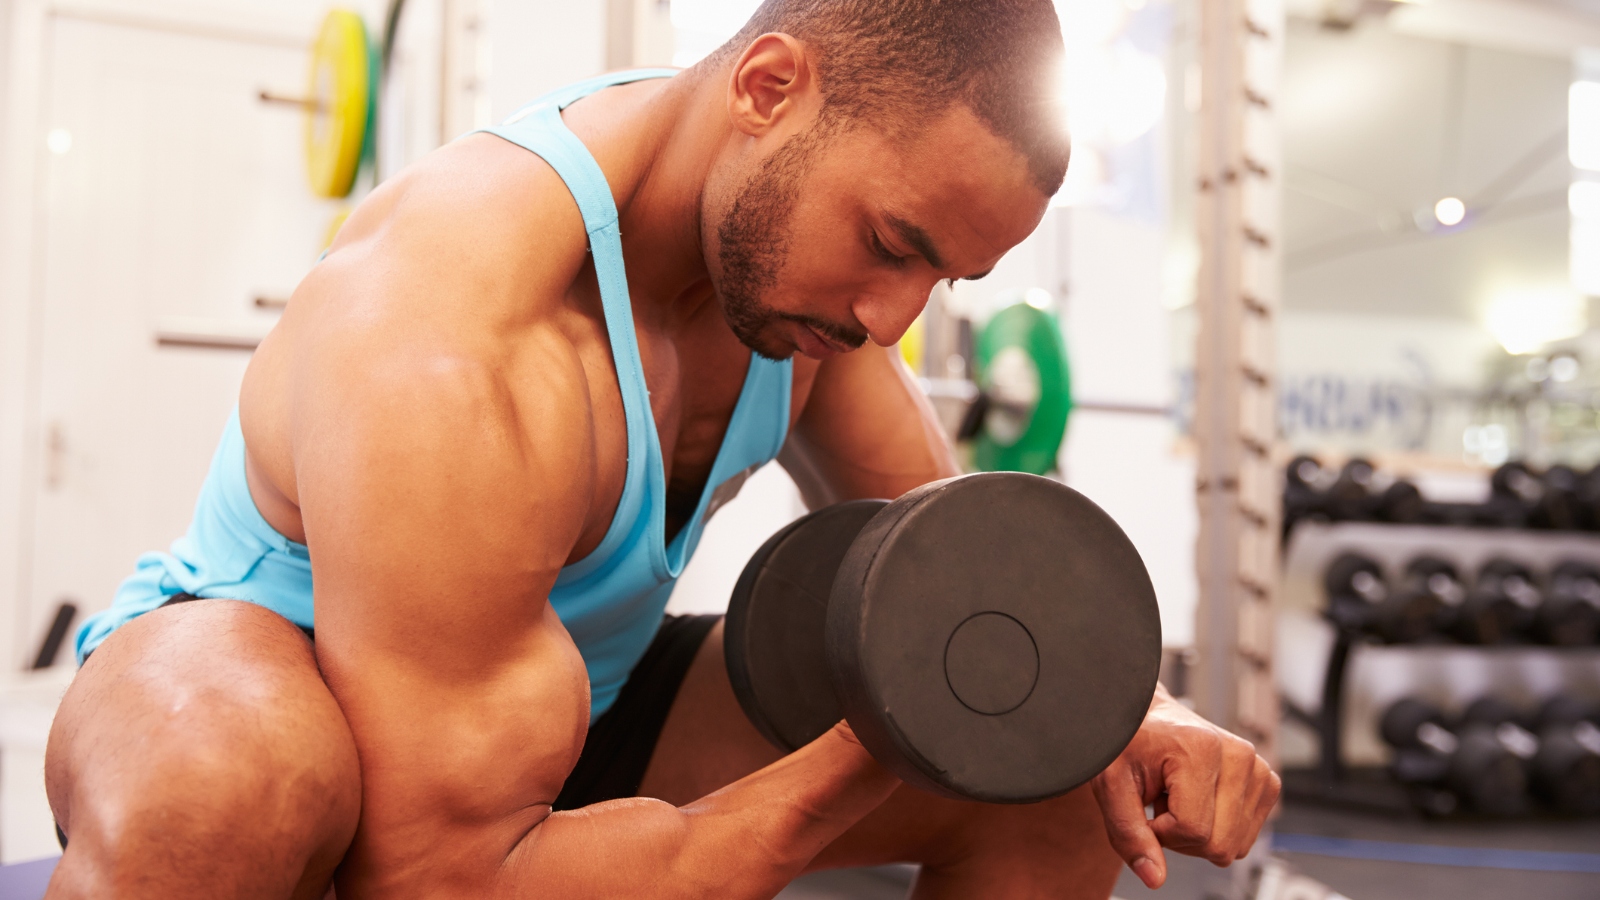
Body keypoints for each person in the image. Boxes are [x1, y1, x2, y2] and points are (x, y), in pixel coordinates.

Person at [43, 1, 1280, 897]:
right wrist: (863, 754)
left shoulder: (802, 292)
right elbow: (437, 878)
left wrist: (1134, 711)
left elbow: (961, 558)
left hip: (549, 705)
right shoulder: (456, 331)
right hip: (289, 678)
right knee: (228, 788)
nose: (889, 322)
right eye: (894, 242)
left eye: (941, 278)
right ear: (767, 88)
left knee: (1051, 774)